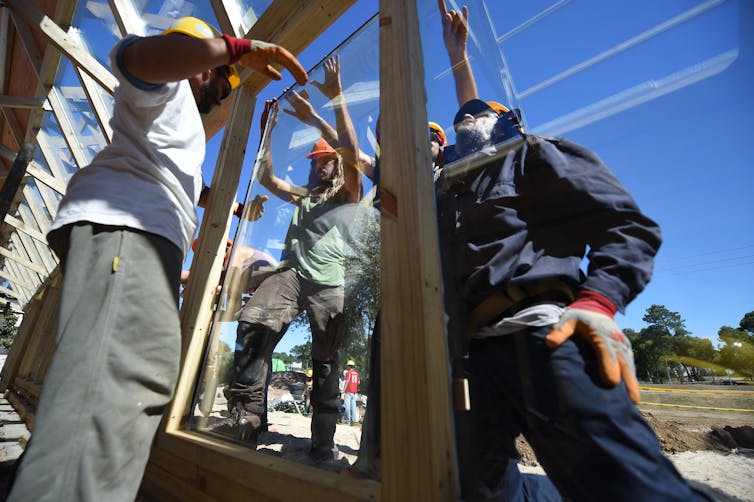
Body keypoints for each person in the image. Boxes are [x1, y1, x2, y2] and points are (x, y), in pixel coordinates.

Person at [7, 16, 307, 502]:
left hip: (138, 232)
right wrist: (235, 47)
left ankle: (41, 480)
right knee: (115, 380)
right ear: (201, 64)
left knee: (122, 376)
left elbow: (187, 182)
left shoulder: (173, 120)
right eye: (224, 82)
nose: (226, 93)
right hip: (129, 227)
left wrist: (232, 206)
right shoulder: (162, 85)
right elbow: (135, 57)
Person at [216, 56, 363, 463]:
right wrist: (267, 133)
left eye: (322, 162)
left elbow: (353, 158)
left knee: (327, 360)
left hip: (330, 284)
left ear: (334, 166)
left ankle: (323, 440)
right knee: (254, 324)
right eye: (313, 163)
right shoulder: (302, 196)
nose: (316, 168)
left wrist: (336, 101)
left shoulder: (344, 195)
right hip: (293, 275)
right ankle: (246, 417)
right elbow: (266, 179)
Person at [341, 359, 360, 425]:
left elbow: (346, 382)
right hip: (354, 392)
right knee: (353, 406)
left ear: (348, 366)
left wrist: (343, 391)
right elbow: (358, 382)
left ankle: (348, 421)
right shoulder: (357, 373)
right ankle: (354, 420)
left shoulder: (348, 373)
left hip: (348, 391)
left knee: (347, 406)